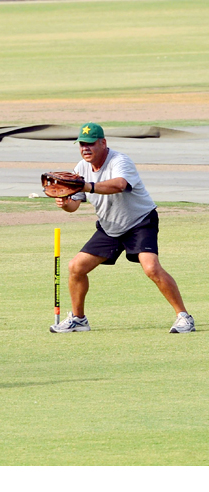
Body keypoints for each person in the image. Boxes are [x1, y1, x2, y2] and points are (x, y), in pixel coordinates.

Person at [50, 122, 195, 334]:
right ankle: (78, 319)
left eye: (90, 144)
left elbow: (119, 185)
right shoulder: (81, 168)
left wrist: (86, 186)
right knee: (76, 267)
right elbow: (74, 205)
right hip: (110, 227)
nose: (85, 148)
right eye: (82, 144)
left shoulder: (120, 161)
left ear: (103, 143)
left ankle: (184, 317)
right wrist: (64, 202)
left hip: (140, 222)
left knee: (151, 268)